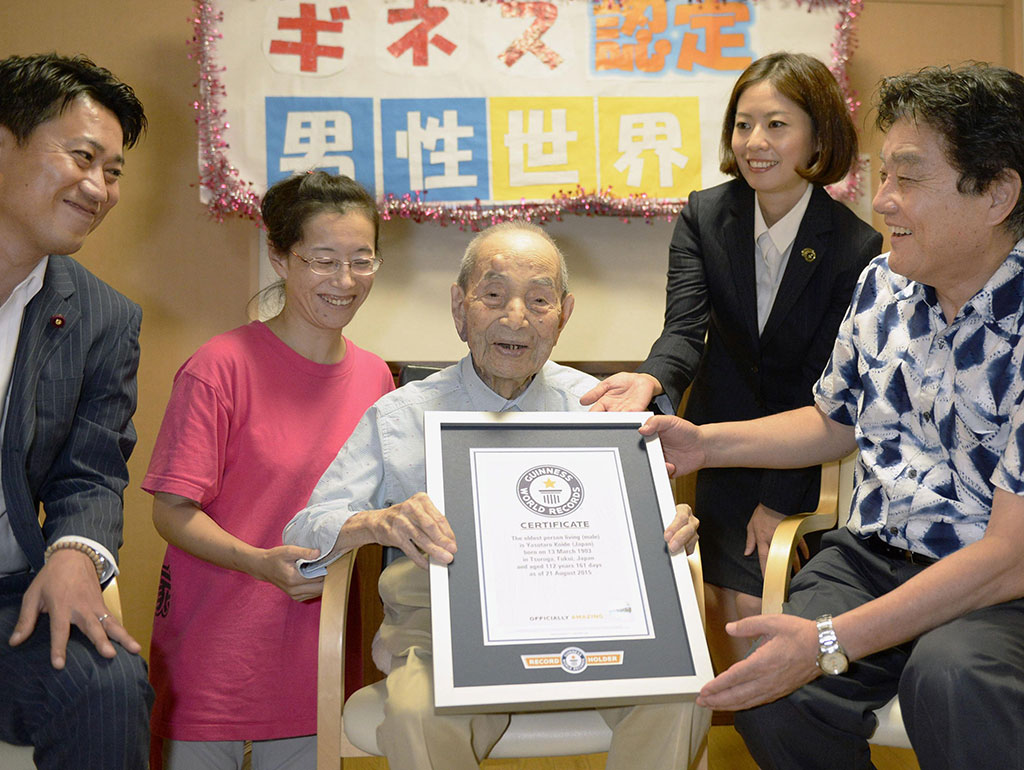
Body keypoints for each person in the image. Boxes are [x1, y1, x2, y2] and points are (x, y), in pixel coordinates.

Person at [640, 63, 1024, 769]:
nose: (882, 202)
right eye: (884, 175)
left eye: (908, 178)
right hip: (876, 556)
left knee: (952, 678)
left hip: (997, 588)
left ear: (997, 193)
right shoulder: (884, 285)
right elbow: (833, 421)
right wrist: (702, 445)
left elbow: (1008, 558)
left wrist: (827, 640)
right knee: (766, 683)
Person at [284, 220, 709, 770]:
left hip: (589, 630)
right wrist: (378, 523)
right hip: (446, 639)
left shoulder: (603, 409)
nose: (516, 318)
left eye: (538, 300)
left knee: (684, 693)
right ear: (459, 307)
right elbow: (304, 531)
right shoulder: (403, 415)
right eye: (493, 294)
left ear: (563, 315)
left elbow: (644, 542)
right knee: (415, 713)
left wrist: (671, 530)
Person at [583, 52, 882, 670]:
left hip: (796, 453)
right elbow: (684, 331)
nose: (755, 142)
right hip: (712, 441)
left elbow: (824, 386)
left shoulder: (856, 245)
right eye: (744, 125)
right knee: (712, 607)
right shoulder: (705, 214)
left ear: (819, 136)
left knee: (757, 613)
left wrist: (779, 500)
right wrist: (650, 379)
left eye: (776, 125)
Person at [142, 171, 395, 769]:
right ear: (280, 258)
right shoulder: (219, 367)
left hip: (320, 658)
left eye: (362, 261)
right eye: (323, 260)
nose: (345, 281)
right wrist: (259, 562)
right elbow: (172, 511)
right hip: (215, 656)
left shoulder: (377, 380)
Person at [0, 53, 151, 768]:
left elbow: (90, 474)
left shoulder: (102, 317)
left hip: (8, 600)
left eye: (113, 171)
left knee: (106, 683)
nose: (99, 188)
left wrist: (73, 552)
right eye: (82, 157)